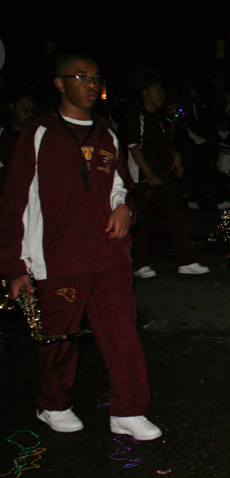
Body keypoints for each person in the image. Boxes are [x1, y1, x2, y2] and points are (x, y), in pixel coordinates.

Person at [0, 52, 161, 440]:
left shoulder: (108, 133)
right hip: (58, 258)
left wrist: (124, 209)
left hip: (109, 256)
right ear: (60, 83)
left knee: (123, 335)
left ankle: (128, 410)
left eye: (96, 77)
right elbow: (14, 203)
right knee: (58, 341)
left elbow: (121, 186)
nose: (92, 84)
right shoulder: (38, 135)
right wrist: (14, 267)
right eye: (81, 76)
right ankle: (53, 404)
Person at [121, 71, 210, 278]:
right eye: (157, 91)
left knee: (177, 217)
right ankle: (139, 264)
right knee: (144, 222)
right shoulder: (136, 116)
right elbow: (134, 148)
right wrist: (148, 174)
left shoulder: (161, 118)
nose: (162, 96)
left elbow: (166, 142)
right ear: (145, 93)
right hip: (146, 179)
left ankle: (187, 261)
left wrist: (176, 155)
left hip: (165, 177)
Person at [0, 90, 36, 190]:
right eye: (25, 110)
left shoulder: (35, 136)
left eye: (32, 110)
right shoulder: (4, 134)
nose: (30, 115)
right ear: (12, 107)